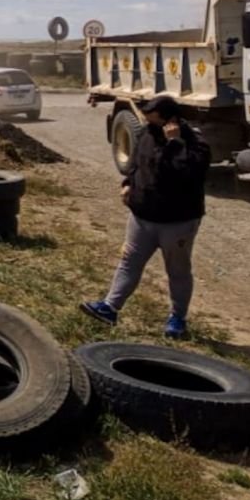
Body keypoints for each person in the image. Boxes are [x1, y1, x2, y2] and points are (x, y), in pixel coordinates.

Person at [81, 95, 211, 338]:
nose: (147, 119)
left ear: (170, 119)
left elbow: (189, 173)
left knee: (177, 271)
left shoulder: (194, 143)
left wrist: (175, 144)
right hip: (142, 216)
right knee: (129, 262)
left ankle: (177, 320)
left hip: (177, 221)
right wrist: (128, 183)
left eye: (152, 116)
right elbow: (136, 163)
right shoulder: (146, 133)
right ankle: (110, 308)